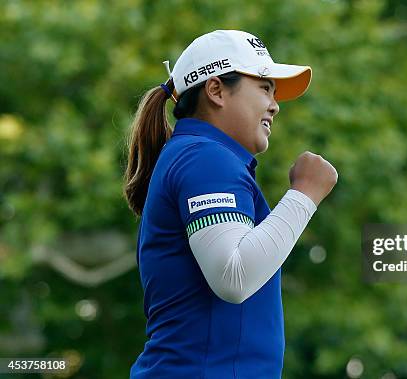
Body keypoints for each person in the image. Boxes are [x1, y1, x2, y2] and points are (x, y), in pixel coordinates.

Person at [123, 30, 337, 378]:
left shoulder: (200, 156)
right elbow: (233, 276)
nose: (275, 104)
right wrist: (305, 194)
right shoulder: (205, 158)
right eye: (265, 87)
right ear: (216, 90)